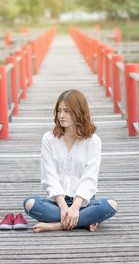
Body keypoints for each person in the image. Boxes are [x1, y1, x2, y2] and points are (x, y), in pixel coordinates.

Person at [23, 90, 118, 233]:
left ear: (79, 112)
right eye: (59, 111)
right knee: (30, 204)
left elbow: (89, 178)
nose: (61, 116)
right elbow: (50, 176)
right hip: (56, 202)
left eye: (67, 111)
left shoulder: (94, 141)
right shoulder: (49, 139)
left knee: (111, 205)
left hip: (84, 202)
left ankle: (57, 225)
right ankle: (84, 222)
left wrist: (75, 207)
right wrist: (62, 206)